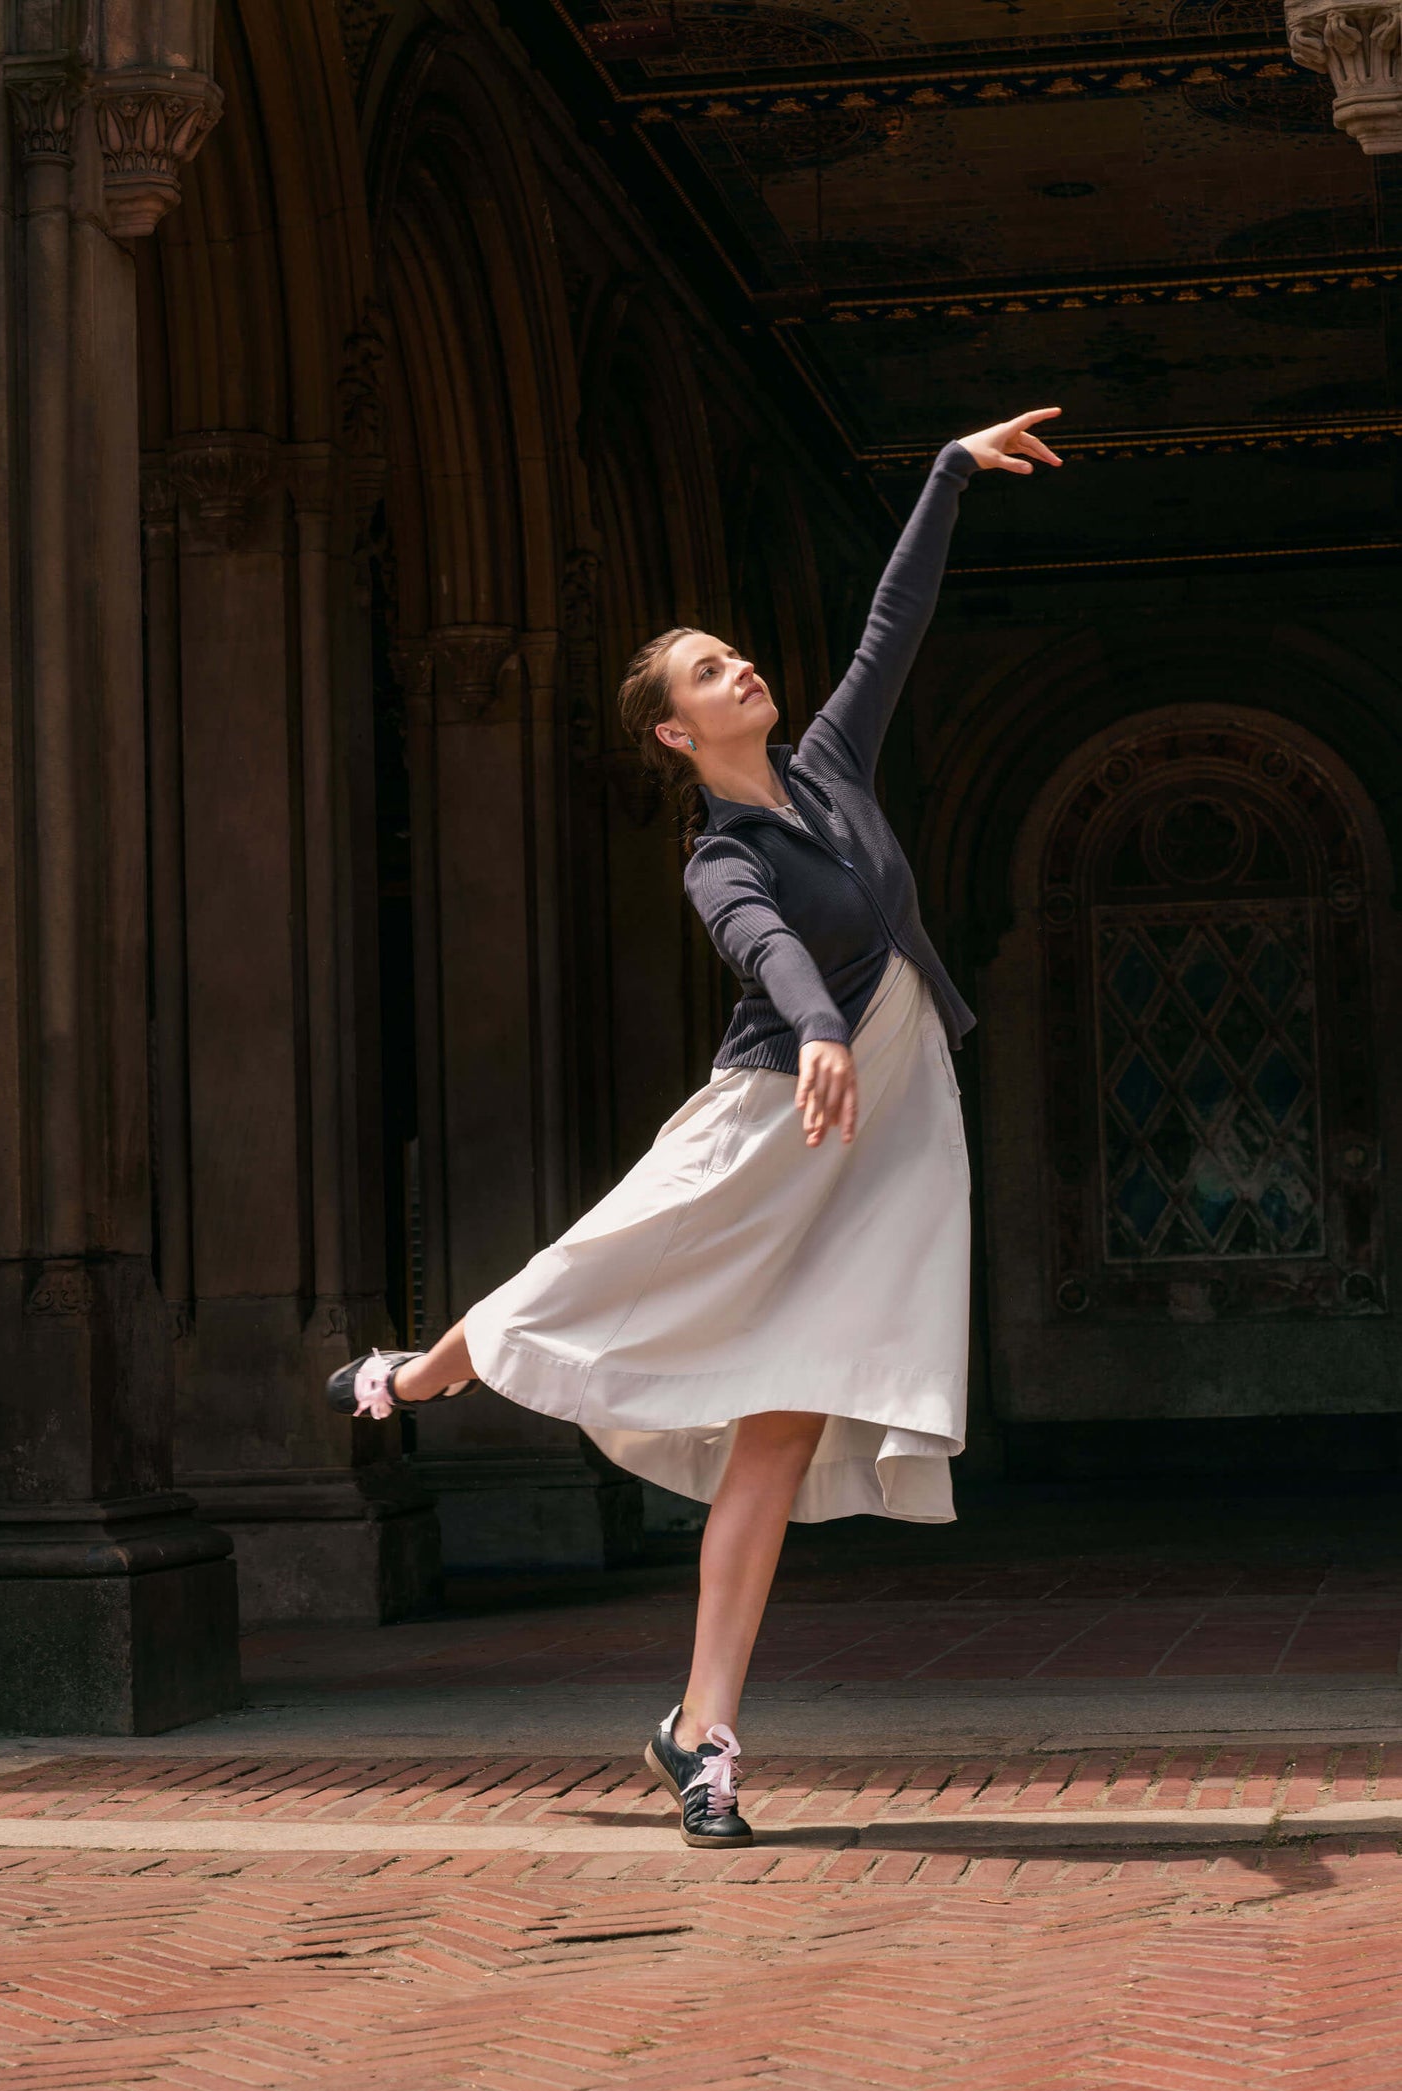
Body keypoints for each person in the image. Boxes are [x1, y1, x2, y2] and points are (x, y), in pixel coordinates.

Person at [328, 409, 1062, 1847]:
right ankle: (411, 1375)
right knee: (584, 1267)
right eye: (711, 671)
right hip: (768, 1114)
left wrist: (943, 473)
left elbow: (887, 630)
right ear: (676, 730)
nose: (744, 669)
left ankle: (700, 1733)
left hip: (891, 1125)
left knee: (774, 1447)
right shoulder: (719, 849)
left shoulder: (833, 764)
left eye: (736, 654)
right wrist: (822, 1028)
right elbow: (761, 948)